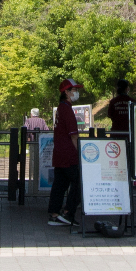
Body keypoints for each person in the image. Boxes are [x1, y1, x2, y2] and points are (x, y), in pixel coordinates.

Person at [47, 79, 82, 226]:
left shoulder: (61, 108)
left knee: (60, 184)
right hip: (69, 154)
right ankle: (68, 213)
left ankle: (54, 214)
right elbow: (74, 135)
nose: (76, 93)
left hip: (59, 153)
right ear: (66, 92)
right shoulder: (67, 109)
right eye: (74, 90)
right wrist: (80, 153)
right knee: (79, 182)